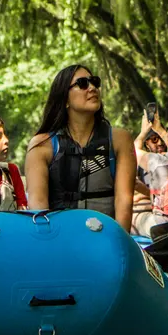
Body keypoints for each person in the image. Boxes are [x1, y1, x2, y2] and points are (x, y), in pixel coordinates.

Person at [23, 65, 137, 232]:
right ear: (65, 99)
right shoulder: (41, 146)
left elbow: (124, 201)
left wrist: (119, 247)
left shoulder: (120, 139)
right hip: (60, 242)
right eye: (82, 83)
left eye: (94, 82)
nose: (92, 88)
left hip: (105, 240)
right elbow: (38, 208)